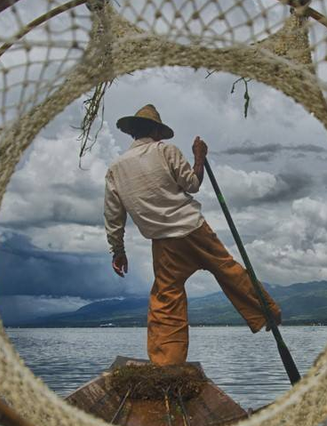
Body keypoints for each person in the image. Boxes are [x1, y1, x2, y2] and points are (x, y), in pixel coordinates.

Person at [103, 104, 281, 365]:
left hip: (162, 241)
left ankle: (167, 361)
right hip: (193, 229)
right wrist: (199, 156)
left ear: (133, 133)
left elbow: (112, 215)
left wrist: (118, 250)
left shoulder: (115, 168)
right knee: (227, 270)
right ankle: (268, 314)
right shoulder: (165, 150)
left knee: (167, 298)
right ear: (155, 131)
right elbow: (193, 184)